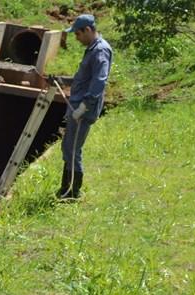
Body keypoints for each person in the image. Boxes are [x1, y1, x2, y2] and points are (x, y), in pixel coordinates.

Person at [60, 14, 113, 199]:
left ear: (88, 30)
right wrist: (62, 80)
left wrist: (84, 106)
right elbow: (85, 77)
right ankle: (65, 189)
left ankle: (72, 193)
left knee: (73, 149)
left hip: (83, 110)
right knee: (68, 147)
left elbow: (100, 80)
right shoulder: (92, 48)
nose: (76, 38)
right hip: (77, 107)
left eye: (78, 34)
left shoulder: (100, 51)